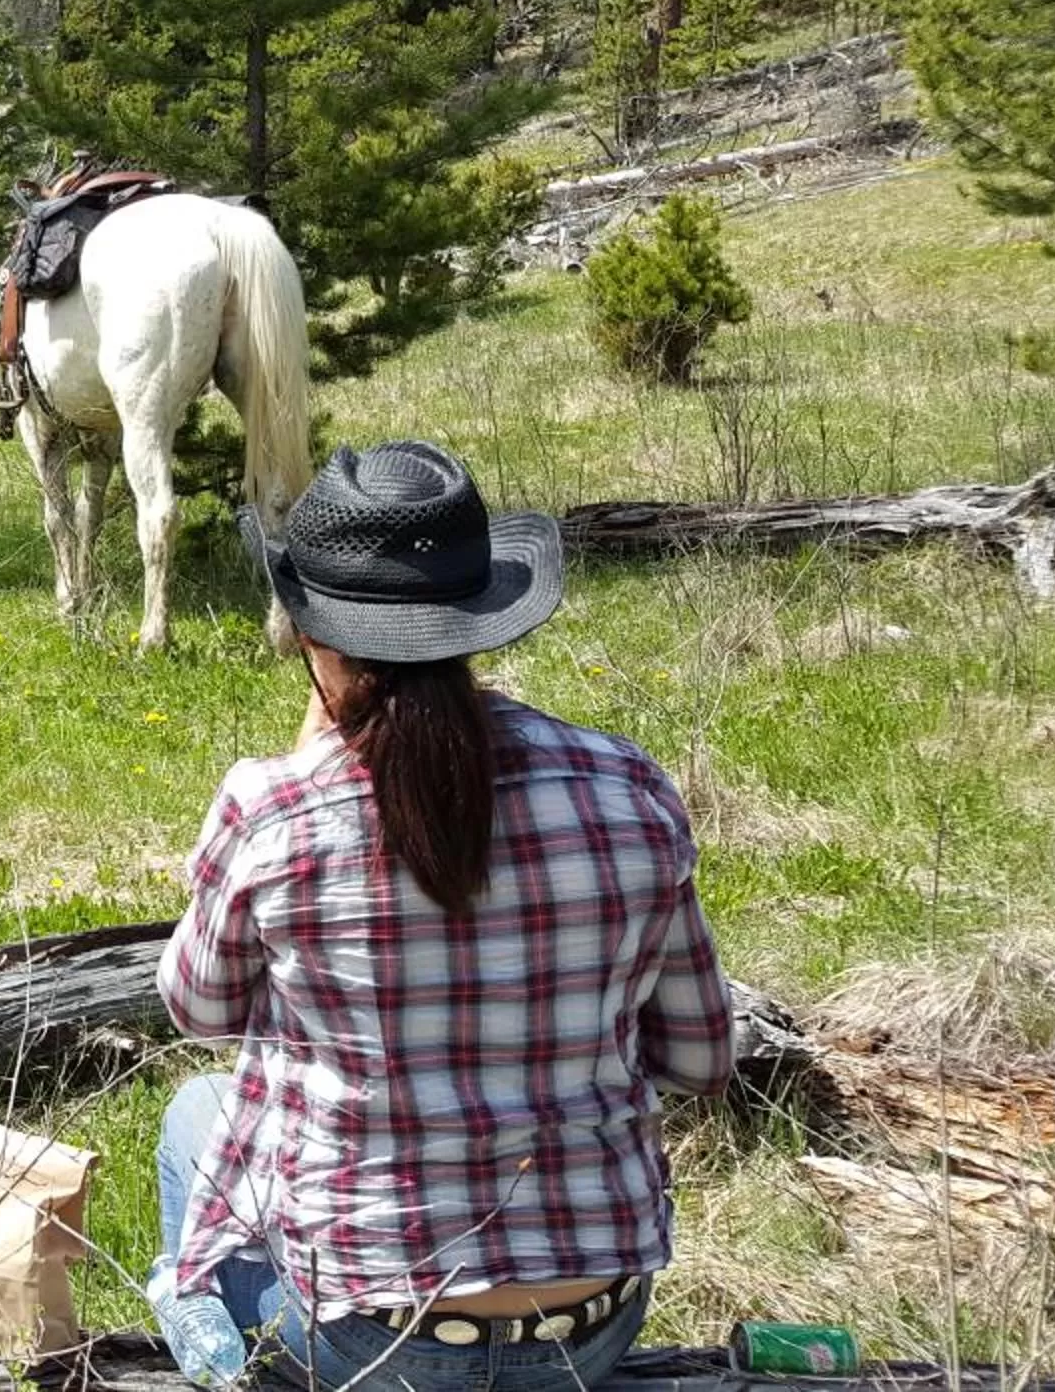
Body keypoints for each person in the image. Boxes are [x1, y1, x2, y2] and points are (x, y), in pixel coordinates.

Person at [148, 439, 735, 1391]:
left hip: (371, 1346)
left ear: (310, 636)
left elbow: (199, 1010)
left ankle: (228, 1366)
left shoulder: (277, 809)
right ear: (485, 619)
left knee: (192, 1117)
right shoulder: (627, 784)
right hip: (588, 1330)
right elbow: (703, 1060)